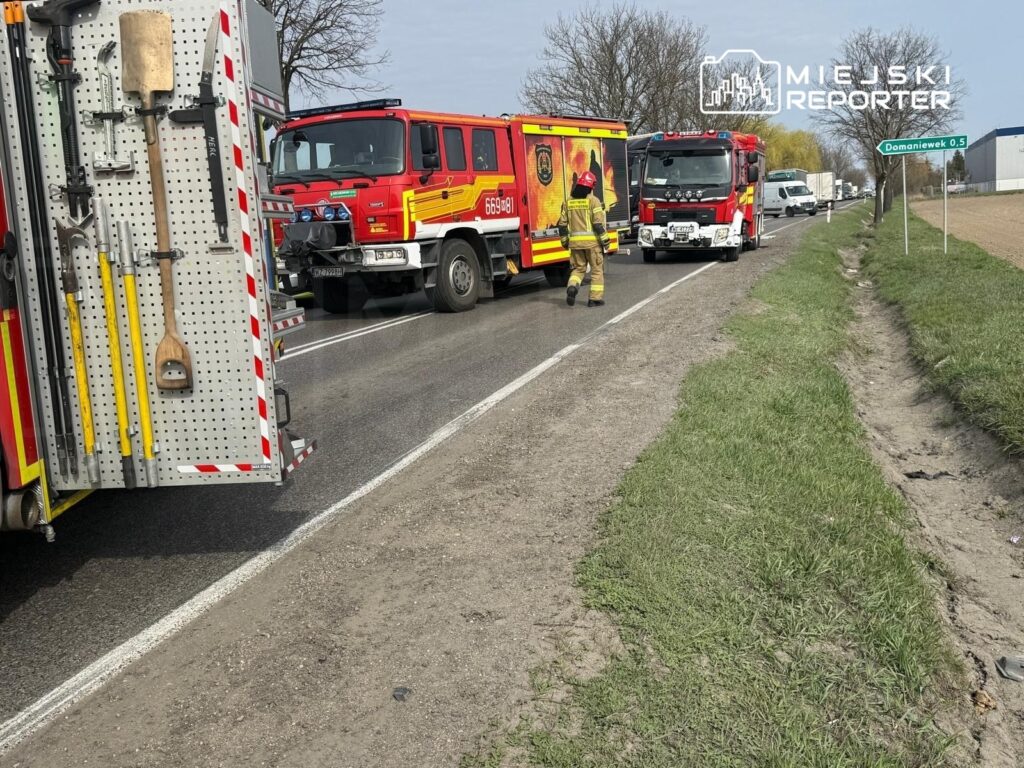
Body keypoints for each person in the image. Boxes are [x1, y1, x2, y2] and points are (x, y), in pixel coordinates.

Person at [557, 170, 610, 307]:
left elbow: (562, 225)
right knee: (597, 270)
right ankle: (594, 299)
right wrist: (605, 241)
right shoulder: (594, 201)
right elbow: (598, 224)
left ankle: (572, 287)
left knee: (578, 270)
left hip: (575, 245)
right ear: (591, 186)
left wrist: (564, 242)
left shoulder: (568, 202)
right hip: (592, 245)